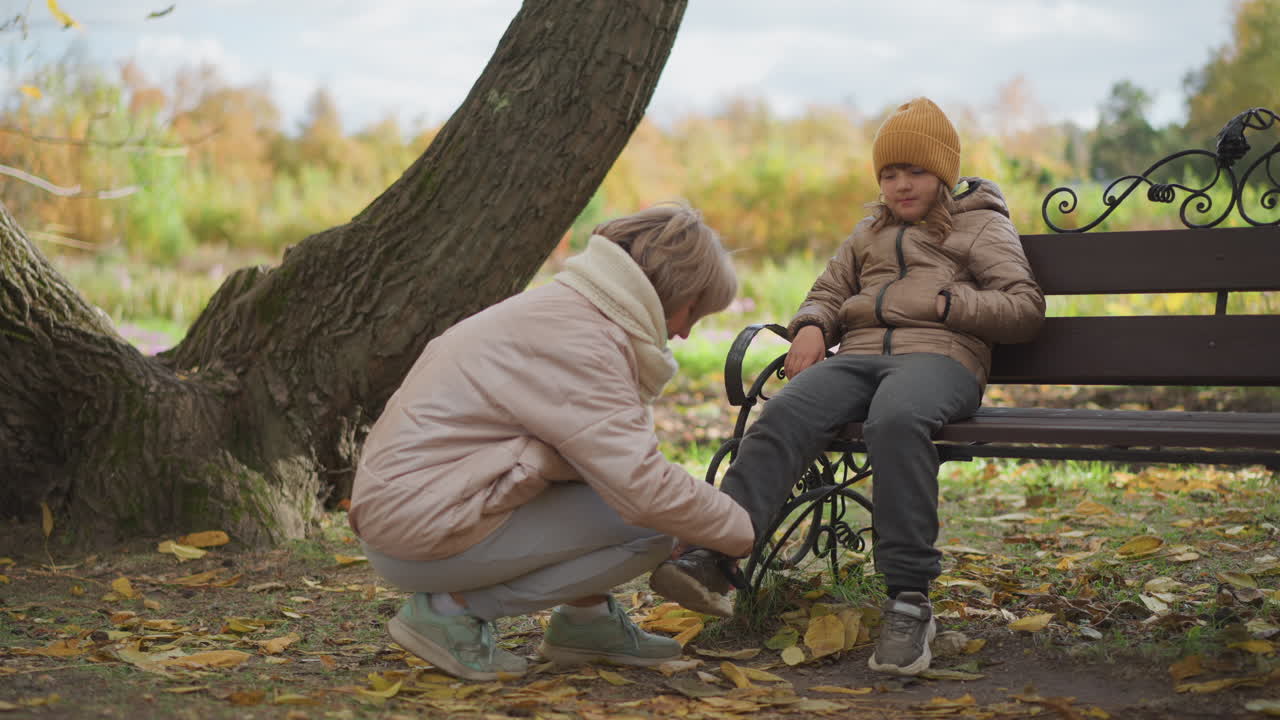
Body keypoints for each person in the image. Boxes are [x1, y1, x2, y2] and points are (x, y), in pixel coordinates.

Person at [649, 97, 1046, 677]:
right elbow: (828, 292)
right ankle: (719, 551)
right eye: (889, 174)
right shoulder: (868, 232)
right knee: (784, 414)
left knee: (895, 421)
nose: (901, 185)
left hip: (939, 360)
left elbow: (1025, 307)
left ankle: (909, 600)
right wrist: (811, 326)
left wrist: (949, 302)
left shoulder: (982, 224)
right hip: (855, 358)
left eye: (915, 172)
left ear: (943, 173)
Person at [347, 202, 755, 681]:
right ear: (675, 289)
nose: (685, 332)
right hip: (418, 529)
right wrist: (738, 530)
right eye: (693, 312)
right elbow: (643, 487)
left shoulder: (567, 313)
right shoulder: (584, 340)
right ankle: (450, 611)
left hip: (417, 509)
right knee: (652, 530)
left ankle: (588, 623)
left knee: (609, 488)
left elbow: (606, 464)